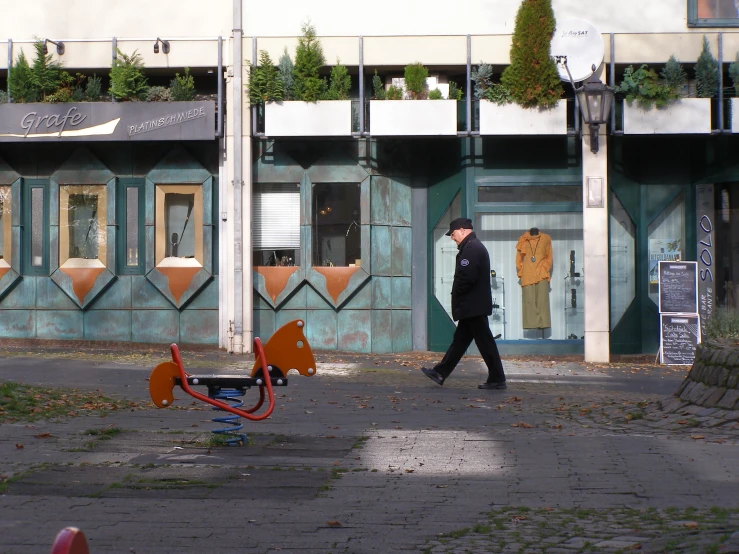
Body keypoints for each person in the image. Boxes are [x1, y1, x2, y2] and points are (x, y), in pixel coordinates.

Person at [421, 217, 507, 390]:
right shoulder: (471, 247)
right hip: (473, 306)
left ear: (462, 230)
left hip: (473, 306)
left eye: (453, 234)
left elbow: (466, 277)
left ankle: (497, 378)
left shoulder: (472, 248)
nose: (452, 238)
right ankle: (440, 373)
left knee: (484, 343)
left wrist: (457, 294)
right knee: (460, 342)